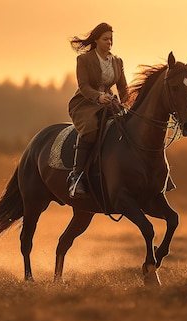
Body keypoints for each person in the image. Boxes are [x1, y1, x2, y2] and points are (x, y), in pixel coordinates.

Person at [67, 22, 129, 199]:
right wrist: (98, 97)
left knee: (128, 126)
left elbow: (123, 88)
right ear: (96, 40)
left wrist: (129, 104)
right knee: (91, 129)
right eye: (105, 39)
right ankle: (76, 176)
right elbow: (84, 86)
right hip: (85, 103)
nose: (109, 42)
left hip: (109, 102)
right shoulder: (84, 60)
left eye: (111, 39)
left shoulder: (117, 61)